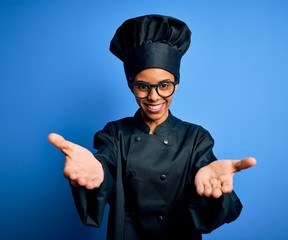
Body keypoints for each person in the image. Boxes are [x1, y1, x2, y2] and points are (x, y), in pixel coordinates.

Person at [48, 14, 256, 240]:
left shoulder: (196, 137)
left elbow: (209, 188)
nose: (154, 97)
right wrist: (97, 172)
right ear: (131, 85)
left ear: (176, 84)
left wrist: (213, 193)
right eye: (143, 86)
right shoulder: (114, 134)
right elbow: (104, 167)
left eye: (164, 86)